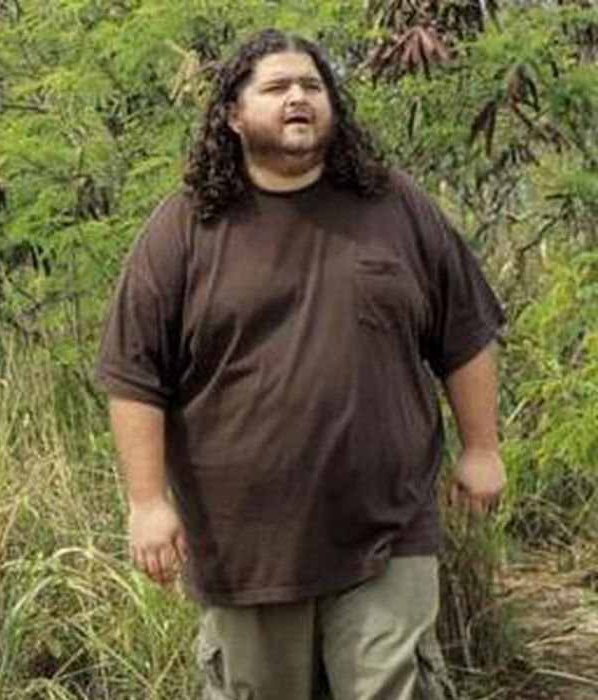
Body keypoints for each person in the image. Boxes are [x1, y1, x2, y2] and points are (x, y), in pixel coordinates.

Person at [94, 29, 505, 699]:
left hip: (388, 526)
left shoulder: (394, 205)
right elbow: (135, 374)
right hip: (247, 542)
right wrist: (146, 502)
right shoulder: (185, 227)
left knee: (393, 687)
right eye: (277, 87)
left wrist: (482, 448)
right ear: (232, 114)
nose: (298, 99)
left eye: (312, 86)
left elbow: (464, 331)